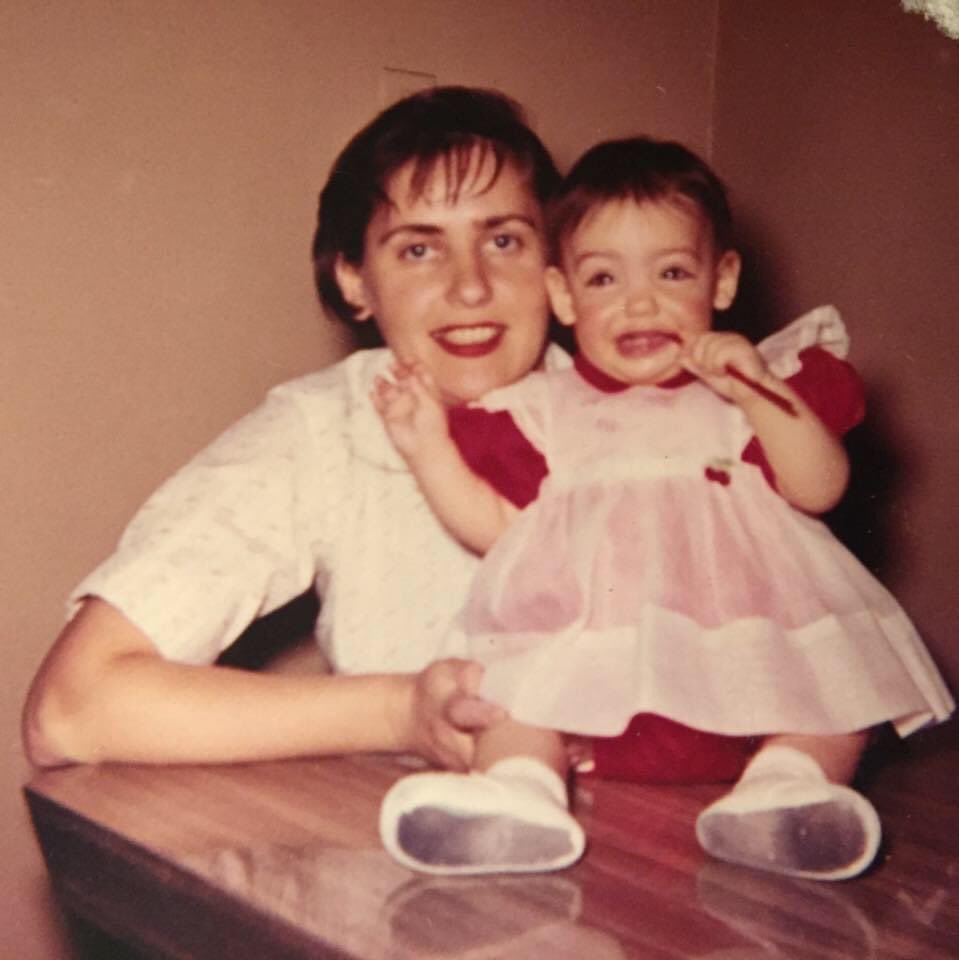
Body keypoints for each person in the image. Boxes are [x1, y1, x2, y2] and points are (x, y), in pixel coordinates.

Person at [372, 136, 954, 880]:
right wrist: (427, 449)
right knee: (510, 692)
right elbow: (501, 535)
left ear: (721, 280)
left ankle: (786, 787)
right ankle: (517, 788)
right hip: (597, 694)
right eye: (603, 278)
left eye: (672, 271)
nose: (638, 302)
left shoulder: (757, 386)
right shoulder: (545, 410)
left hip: (750, 668)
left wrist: (755, 391)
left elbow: (818, 488)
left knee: (838, 700)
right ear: (561, 296)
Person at [21, 86, 562, 771]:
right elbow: (71, 710)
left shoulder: (655, 417)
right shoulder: (321, 431)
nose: (471, 287)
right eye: (419, 251)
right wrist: (399, 712)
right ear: (353, 281)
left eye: (504, 239)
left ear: (557, 266)